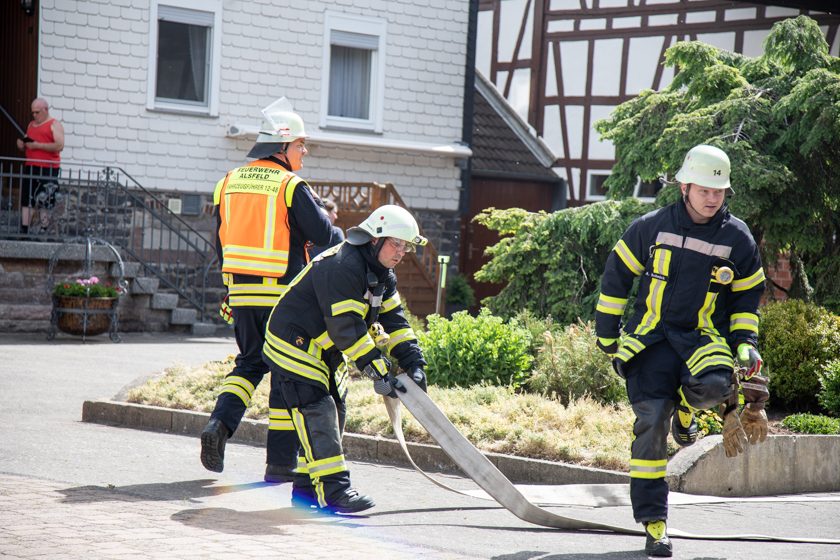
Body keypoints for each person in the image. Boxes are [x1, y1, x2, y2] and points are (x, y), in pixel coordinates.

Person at [594, 144, 769, 557]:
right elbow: (616, 277)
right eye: (705, 190)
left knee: (715, 387)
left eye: (720, 191)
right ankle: (655, 523)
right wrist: (606, 333)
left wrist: (745, 344)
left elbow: (747, 302)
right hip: (650, 338)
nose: (713, 198)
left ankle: (687, 412)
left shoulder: (737, 239)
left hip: (702, 339)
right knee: (651, 422)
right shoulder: (650, 226)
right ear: (685, 186)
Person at [262, 204, 429, 513]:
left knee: (336, 409)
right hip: (292, 343)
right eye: (396, 243)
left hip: (323, 350)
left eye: (405, 246)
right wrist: (381, 372)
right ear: (375, 238)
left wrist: (415, 363)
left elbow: (396, 322)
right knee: (318, 409)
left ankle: (306, 491)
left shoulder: (382, 274)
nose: (401, 252)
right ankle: (336, 491)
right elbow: (347, 330)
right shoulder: (342, 266)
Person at [200, 97, 333, 483]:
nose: (305, 152)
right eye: (300, 145)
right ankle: (279, 465)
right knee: (286, 375)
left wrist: (231, 289)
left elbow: (220, 244)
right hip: (283, 300)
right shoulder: (291, 185)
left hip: (241, 296)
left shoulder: (226, 182)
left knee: (249, 364)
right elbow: (323, 235)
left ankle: (219, 426)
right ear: (282, 147)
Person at [15, 98, 64, 235]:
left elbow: (59, 145)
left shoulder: (54, 124)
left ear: (45, 110)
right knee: (27, 197)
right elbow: (26, 140)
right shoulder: (31, 125)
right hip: (31, 165)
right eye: (33, 113)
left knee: (45, 199)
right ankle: (24, 229)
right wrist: (21, 144)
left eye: (37, 112)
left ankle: (44, 228)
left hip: (48, 168)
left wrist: (37, 145)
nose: (34, 115)